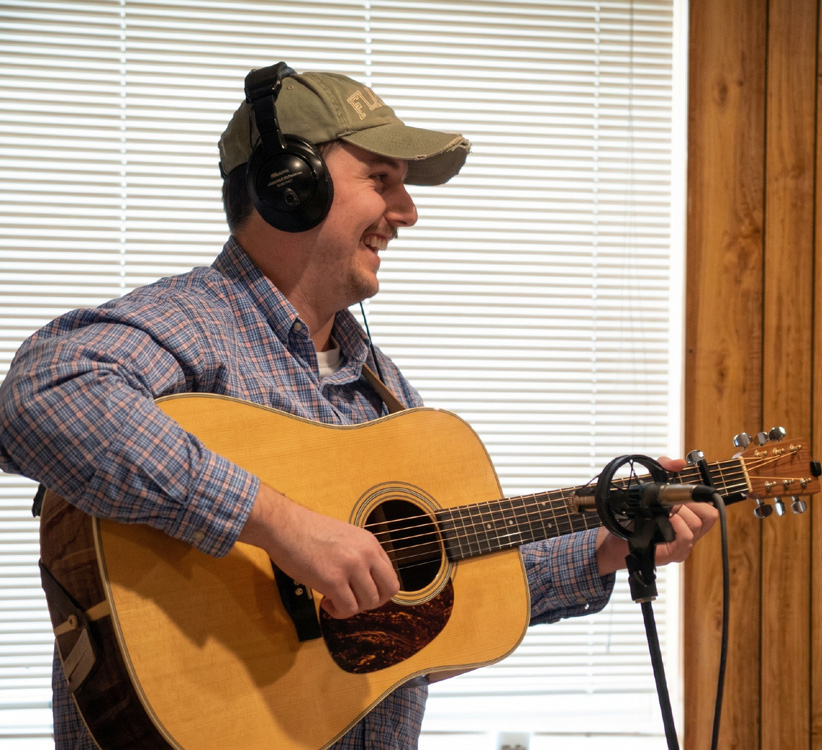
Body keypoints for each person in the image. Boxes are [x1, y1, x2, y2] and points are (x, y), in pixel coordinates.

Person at [0, 63, 717, 750]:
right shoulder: (194, 327)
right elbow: (41, 398)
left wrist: (604, 546)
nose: (407, 213)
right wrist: (284, 527)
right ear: (289, 184)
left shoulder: (387, 394)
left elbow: (445, 591)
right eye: (381, 180)